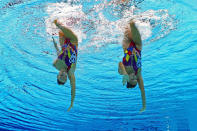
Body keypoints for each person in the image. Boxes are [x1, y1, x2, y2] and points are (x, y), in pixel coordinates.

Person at [118, 20, 146, 112]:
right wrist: (144, 106)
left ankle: (127, 15)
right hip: (138, 47)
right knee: (132, 25)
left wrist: (125, 74)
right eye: (136, 80)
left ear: (128, 79)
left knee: (126, 29)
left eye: (132, 79)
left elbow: (120, 64)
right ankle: (132, 22)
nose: (135, 78)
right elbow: (142, 90)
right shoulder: (138, 74)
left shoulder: (123, 71)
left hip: (127, 46)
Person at [52, 19, 78, 112]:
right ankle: (57, 24)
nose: (63, 74)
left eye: (61, 76)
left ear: (58, 75)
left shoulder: (56, 64)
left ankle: (60, 21)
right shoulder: (71, 72)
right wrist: (71, 103)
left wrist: (54, 44)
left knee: (63, 26)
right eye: (65, 77)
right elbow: (73, 88)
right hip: (73, 42)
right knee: (60, 26)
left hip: (63, 43)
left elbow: (58, 52)